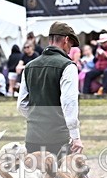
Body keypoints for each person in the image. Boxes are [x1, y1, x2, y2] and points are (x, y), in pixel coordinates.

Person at [17, 21, 83, 158]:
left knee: (34, 172)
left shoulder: (29, 66)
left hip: (32, 138)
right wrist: (75, 136)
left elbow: (21, 105)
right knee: (59, 172)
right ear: (66, 40)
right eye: (70, 45)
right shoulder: (68, 66)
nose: (70, 50)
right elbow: (69, 103)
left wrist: (38, 119)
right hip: (58, 138)